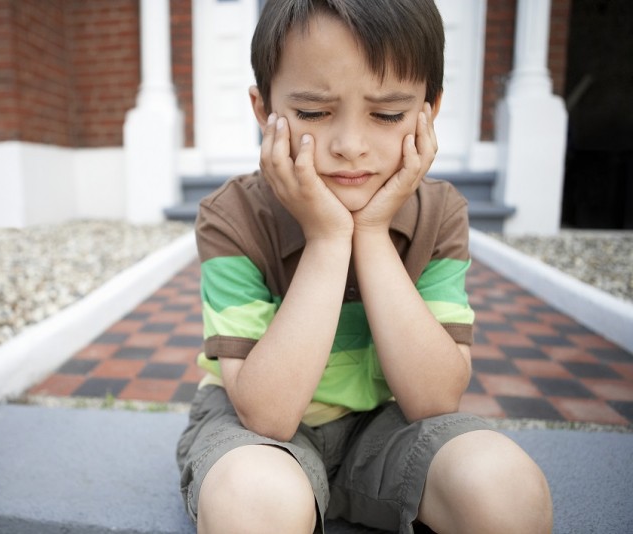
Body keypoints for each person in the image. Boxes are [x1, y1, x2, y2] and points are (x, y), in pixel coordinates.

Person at [176, 1, 553, 532]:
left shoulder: (440, 215)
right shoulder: (232, 216)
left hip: (387, 425)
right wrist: (329, 238)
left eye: (388, 114)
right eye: (312, 112)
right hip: (255, 434)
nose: (350, 147)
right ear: (263, 111)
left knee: (503, 487)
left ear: (430, 109)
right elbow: (268, 413)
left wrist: (371, 233)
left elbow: (434, 400)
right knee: (254, 498)